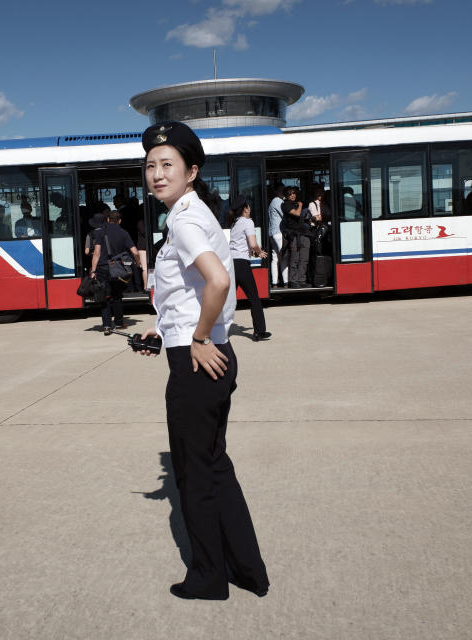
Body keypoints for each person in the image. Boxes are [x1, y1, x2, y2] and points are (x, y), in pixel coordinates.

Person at [137, 121, 269, 601]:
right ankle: (247, 570)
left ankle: (209, 577)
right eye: (150, 165)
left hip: (197, 362)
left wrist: (193, 338)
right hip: (214, 354)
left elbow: (216, 283)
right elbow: (190, 292)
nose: (156, 173)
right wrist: (166, 325)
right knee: (215, 466)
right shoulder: (198, 213)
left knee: (194, 475)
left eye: (167, 165)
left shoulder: (183, 218)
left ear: (191, 171)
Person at [227, 195, 270, 341]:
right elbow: (253, 244)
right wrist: (259, 252)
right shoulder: (247, 222)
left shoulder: (235, 223)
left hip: (231, 263)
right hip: (242, 265)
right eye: (249, 206)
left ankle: (214, 330)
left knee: (228, 300)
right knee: (254, 298)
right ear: (245, 209)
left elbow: (240, 244)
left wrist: (251, 250)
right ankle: (259, 332)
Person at [90, 210, 139, 333]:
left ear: (107, 219)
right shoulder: (124, 233)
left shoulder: (100, 233)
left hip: (102, 268)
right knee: (117, 296)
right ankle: (119, 323)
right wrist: (137, 263)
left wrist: (93, 270)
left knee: (104, 296)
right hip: (117, 269)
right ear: (120, 221)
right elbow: (135, 252)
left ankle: (106, 326)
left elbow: (96, 253)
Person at [282, 186, 311, 288]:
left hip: (304, 234)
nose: (293, 195)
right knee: (295, 259)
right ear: (286, 195)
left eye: (294, 193)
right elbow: (297, 214)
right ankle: (293, 281)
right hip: (294, 236)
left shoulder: (299, 203)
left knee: (304, 259)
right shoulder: (285, 205)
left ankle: (302, 280)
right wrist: (300, 205)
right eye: (290, 194)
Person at [267, 182, 287, 287]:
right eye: (282, 190)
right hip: (278, 232)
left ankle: (275, 282)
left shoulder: (272, 202)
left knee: (275, 258)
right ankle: (286, 282)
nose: (283, 192)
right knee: (284, 257)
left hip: (272, 233)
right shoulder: (278, 201)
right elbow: (285, 215)